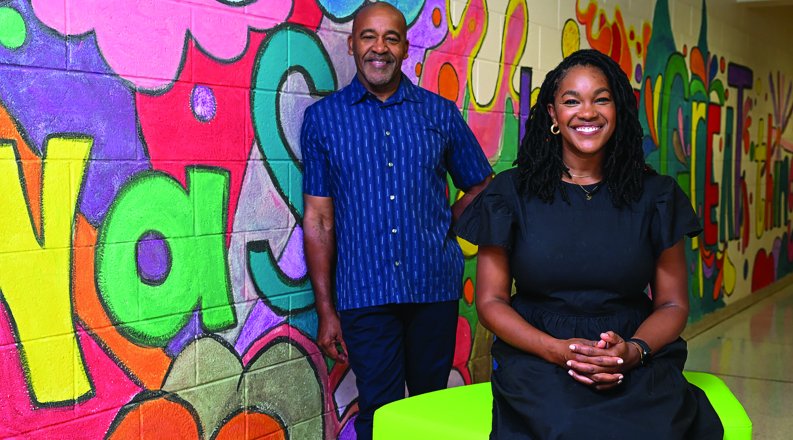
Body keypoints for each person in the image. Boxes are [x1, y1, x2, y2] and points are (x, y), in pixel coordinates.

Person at [454, 49, 724, 439]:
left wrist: (633, 351)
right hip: (539, 355)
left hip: (635, 352)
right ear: (552, 113)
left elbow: (672, 303)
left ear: (618, 110)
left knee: (657, 429)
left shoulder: (657, 195)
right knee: (566, 426)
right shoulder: (510, 193)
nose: (587, 112)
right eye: (571, 101)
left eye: (601, 99)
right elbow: (491, 302)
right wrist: (556, 350)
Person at [300, 2, 492, 439]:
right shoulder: (323, 120)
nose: (379, 47)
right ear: (352, 45)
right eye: (369, 36)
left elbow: (482, 184)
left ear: (406, 48)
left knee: (430, 409)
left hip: (432, 288)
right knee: (381, 413)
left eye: (391, 37)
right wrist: (326, 310)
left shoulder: (438, 113)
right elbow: (319, 218)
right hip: (363, 293)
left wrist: (447, 224)